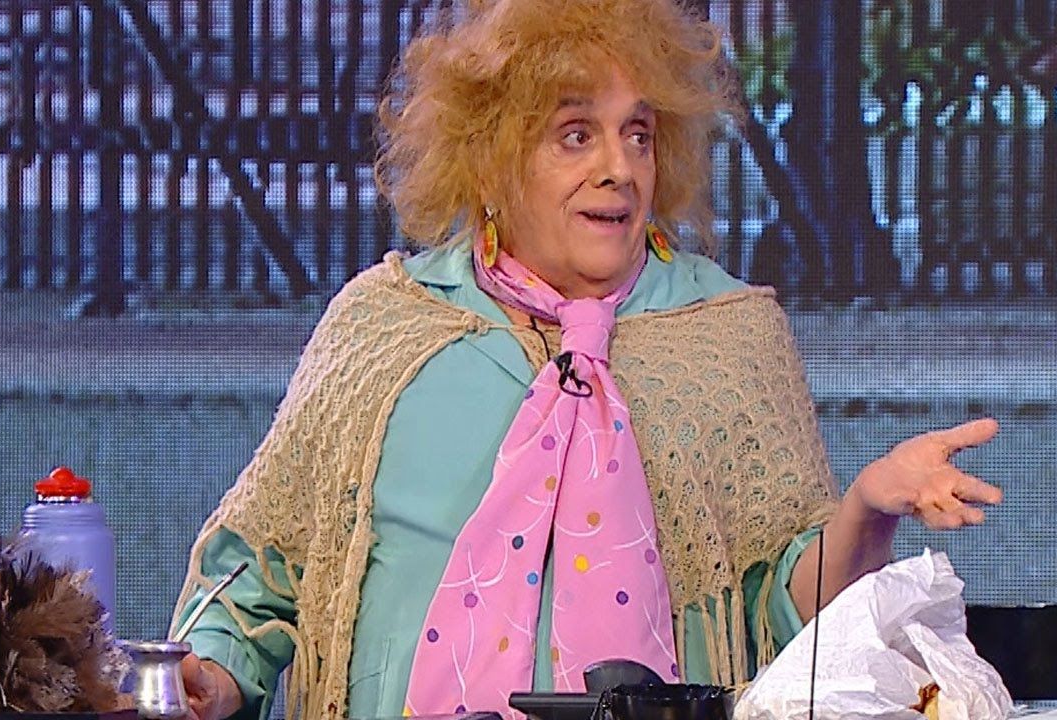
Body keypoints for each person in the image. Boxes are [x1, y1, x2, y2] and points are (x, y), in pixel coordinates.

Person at [170, 0, 1003, 718]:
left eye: (638, 135)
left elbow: (789, 625)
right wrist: (209, 677)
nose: (618, 168)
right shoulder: (384, 327)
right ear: (490, 157)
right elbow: (259, 571)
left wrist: (866, 509)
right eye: (576, 135)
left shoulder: (726, 336)